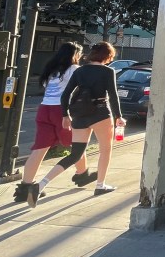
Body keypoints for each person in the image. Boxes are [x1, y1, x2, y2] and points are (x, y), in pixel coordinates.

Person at [25, 41, 125, 207]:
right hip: (100, 113)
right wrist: (119, 116)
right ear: (107, 56)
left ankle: (40, 184)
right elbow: (113, 96)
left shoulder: (81, 70)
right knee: (105, 150)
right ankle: (100, 185)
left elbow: (65, 96)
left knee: (75, 154)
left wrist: (65, 115)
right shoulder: (108, 71)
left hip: (79, 115)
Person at [13, 42, 96, 203]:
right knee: (77, 144)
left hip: (44, 109)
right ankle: (82, 175)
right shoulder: (74, 69)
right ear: (74, 54)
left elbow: (46, 87)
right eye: (79, 54)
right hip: (62, 111)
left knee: (39, 150)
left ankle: (25, 188)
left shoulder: (51, 70)